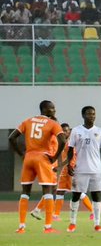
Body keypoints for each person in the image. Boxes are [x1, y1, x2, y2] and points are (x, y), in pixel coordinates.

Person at [9, 99, 66, 234]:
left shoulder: (27, 121)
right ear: (45, 109)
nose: (54, 110)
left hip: (28, 158)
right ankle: (48, 227)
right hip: (43, 158)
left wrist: (21, 154)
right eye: (52, 108)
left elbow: (12, 138)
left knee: (25, 192)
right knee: (48, 190)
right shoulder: (53, 123)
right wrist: (54, 157)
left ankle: (21, 226)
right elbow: (63, 140)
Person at [66, 105, 101, 233]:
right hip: (80, 169)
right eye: (88, 114)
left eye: (93, 114)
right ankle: (72, 223)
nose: (91, 116)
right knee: (76, 195)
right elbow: (70, 149)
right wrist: (69, 165)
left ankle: (97, 224)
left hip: (96, 170)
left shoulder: (100, 131)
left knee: (96, 196)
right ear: (83, 115)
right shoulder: (76, 131)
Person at [52, 123, 93, 223]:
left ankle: (93, 211)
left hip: (72, 168)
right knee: (60, 191)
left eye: (67, 130)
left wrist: (59, 166)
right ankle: (56, 215)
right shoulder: (62, 141)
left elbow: (71, 157)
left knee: (78, 192)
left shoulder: (71, 142)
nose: (65, 132)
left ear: (69, 131)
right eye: (63, 131)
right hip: (66, 169)